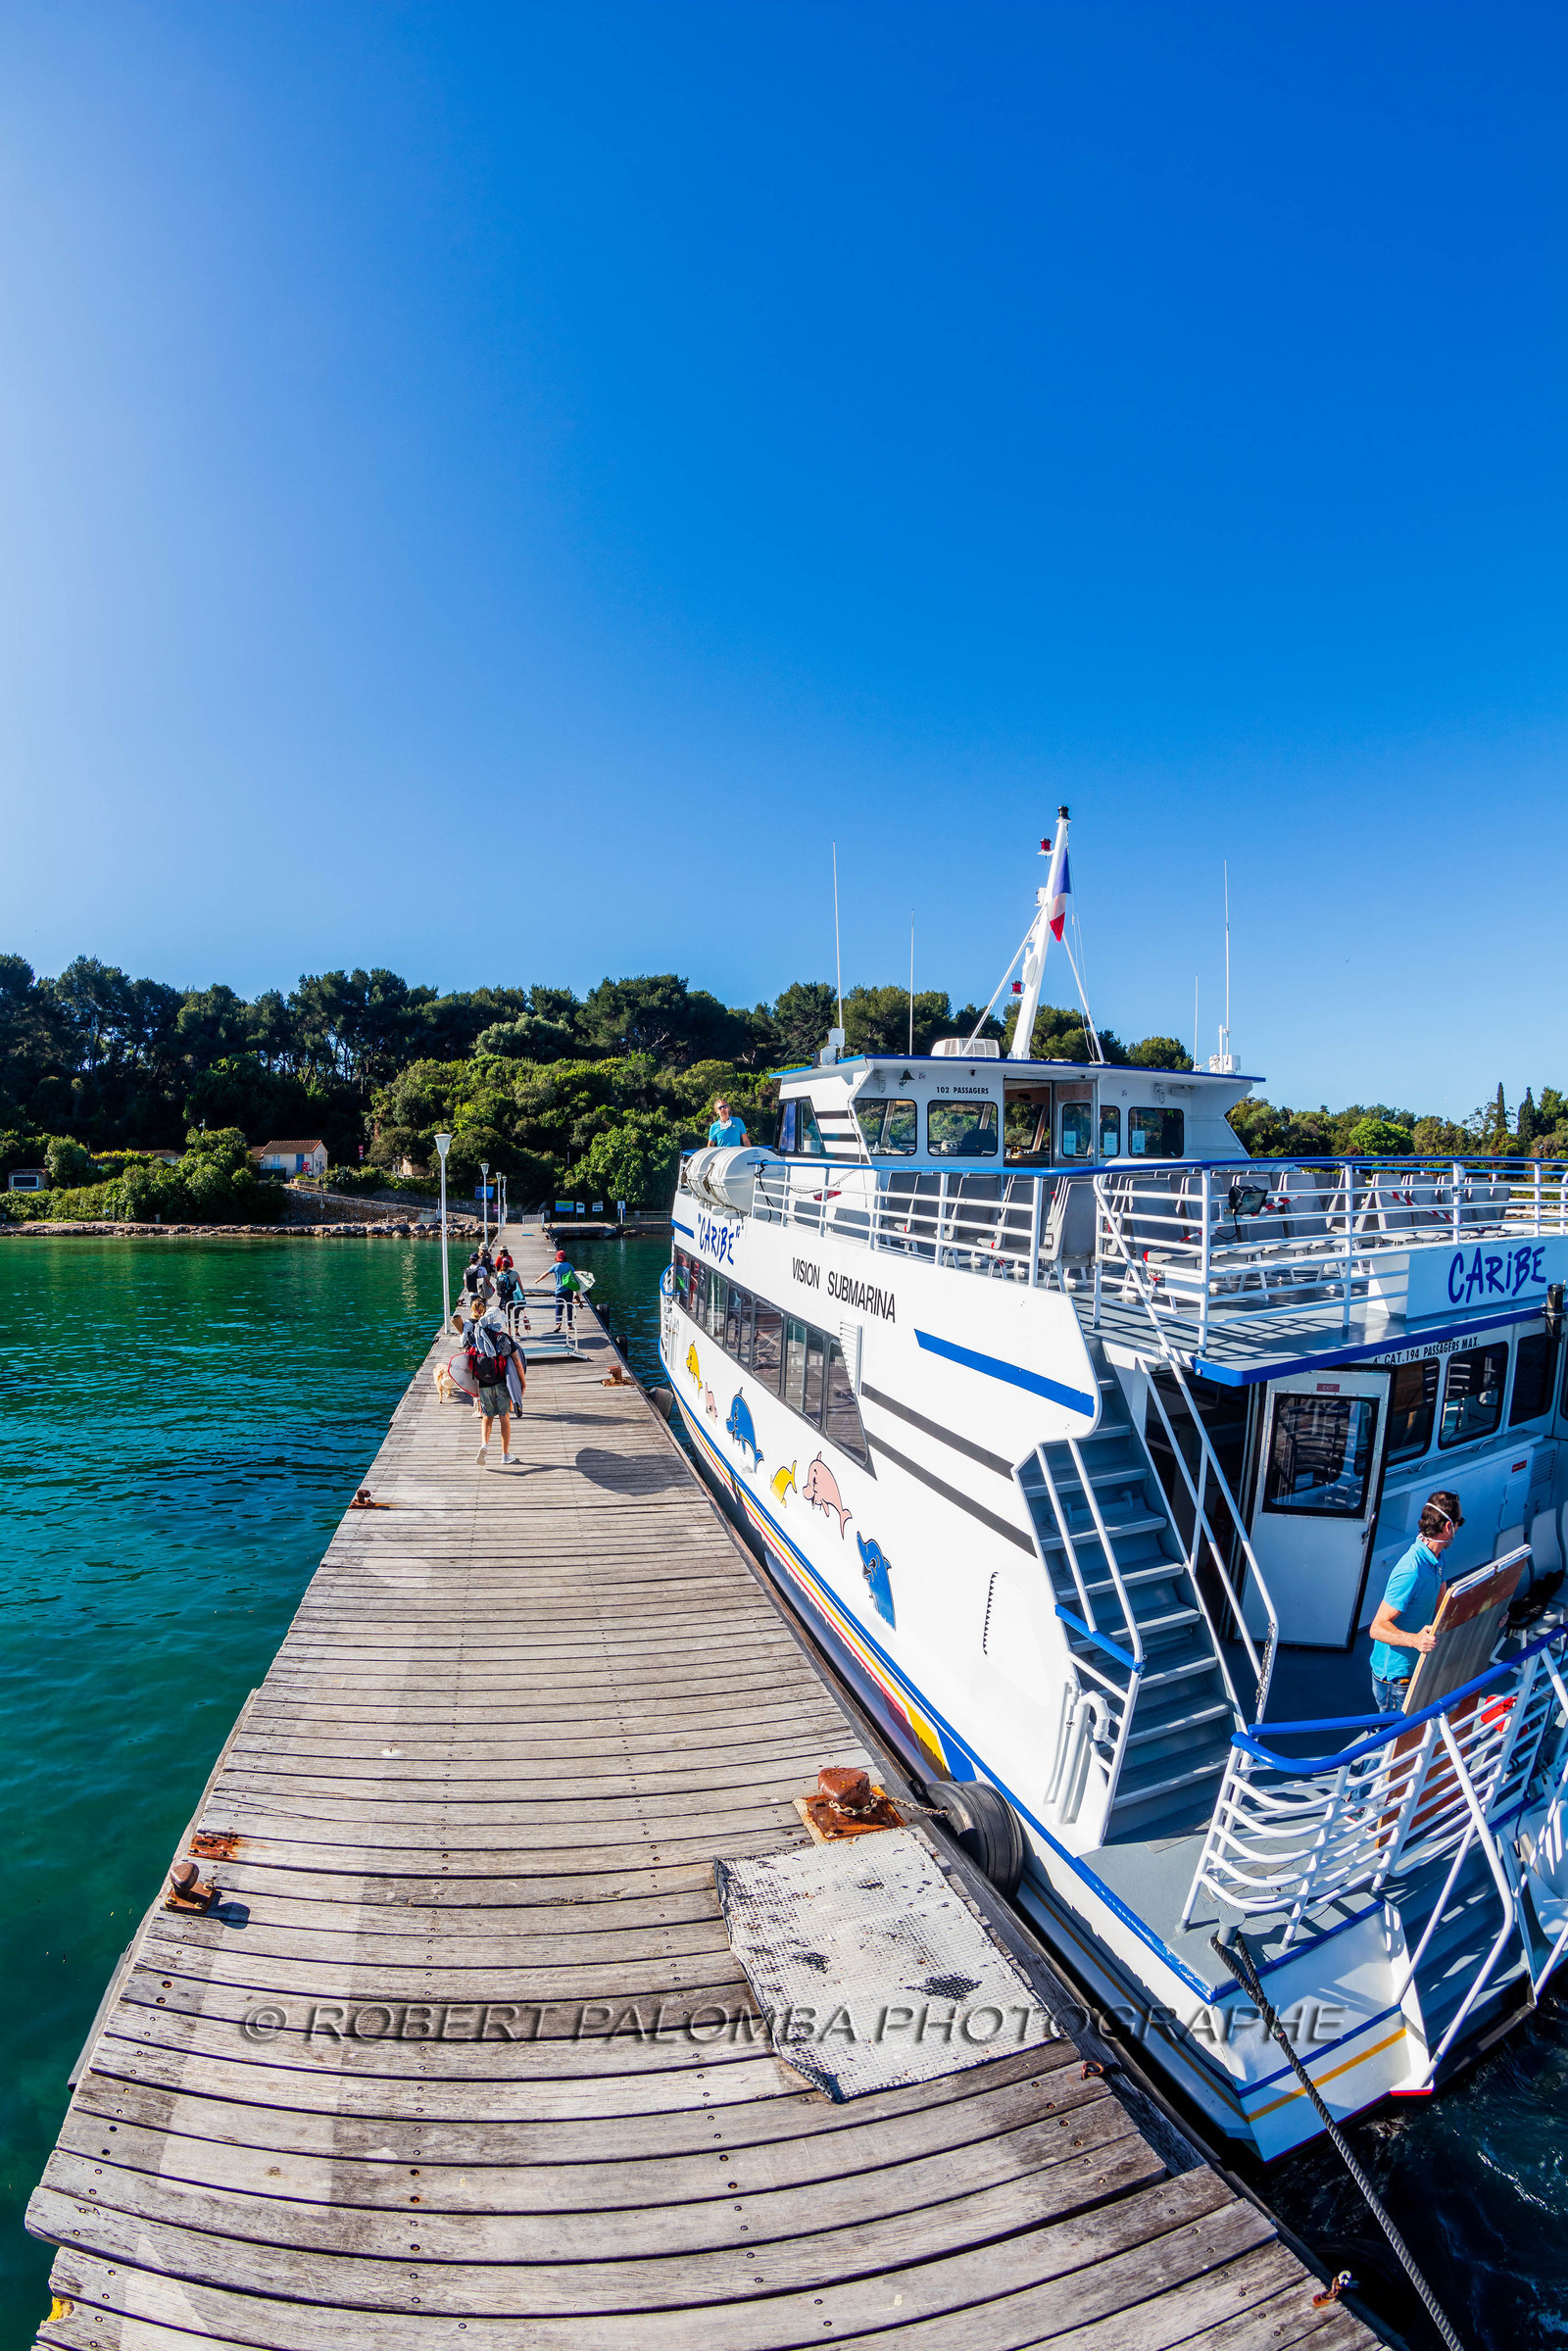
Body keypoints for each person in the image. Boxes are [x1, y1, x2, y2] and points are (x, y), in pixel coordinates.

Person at [1368, 1492, 1462, 1713]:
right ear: (1448, 1527)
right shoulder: (1411, 1570)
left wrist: (1488, 1614)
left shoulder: (1437, 1558)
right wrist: (1415, 1640)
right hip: (1397, 1679)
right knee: (1397, 1742)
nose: (1458, 1528)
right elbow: (1376, 1628)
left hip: (1419, 1667)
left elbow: (1442, 1607)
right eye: (1460, 1523)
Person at [466, 1307, 526, 1466]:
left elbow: (467, 1359)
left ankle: (484, 1445)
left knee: (487, 1417)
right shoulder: (503, 1338)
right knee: (504, 1418)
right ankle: (505, 1455)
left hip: (484, 1385)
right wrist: (523, 1382)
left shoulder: (478, 1335)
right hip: (502, 1384)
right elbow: (517, 1362)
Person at [541, 1247, 579, 1334]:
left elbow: (546, 1274)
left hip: (559, 1290)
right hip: (569, 1289)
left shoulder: (555, 1266)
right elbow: (575, 1276)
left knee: (559, 1307)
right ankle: (569, 1325)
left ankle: (558, 1324)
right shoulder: (569, 1265)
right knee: (569, 1307)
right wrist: (577, 1291)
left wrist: (538, 1280)